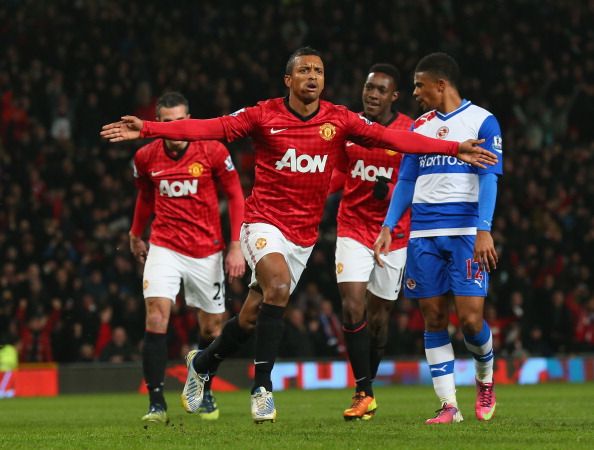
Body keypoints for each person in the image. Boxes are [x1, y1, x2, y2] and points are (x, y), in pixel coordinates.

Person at [101, 47, 497, 424]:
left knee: (253, 315)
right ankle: (262, 388)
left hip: (302, 235)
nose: (313, 76)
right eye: (305, 70)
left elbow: (395, 139)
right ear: (288, 78)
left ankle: (203, 364)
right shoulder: (262, 115)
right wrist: (150, 129)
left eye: (319, 71)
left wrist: (453, 147)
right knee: (277, 284)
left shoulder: (338, 120)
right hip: (263, 222)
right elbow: (211, 127)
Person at [374, 52, 502, 424]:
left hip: (465, 234)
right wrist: (388, 225)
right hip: (423, 234)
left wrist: (484, 230)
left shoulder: (482, 121)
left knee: (470, 321)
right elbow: (407, 180)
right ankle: (449, 406)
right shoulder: (419, 126)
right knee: (432, 318)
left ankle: (485, 377)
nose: (414, 92)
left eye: (419, 84)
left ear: (441, 84)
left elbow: (489, 177)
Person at [129, 92, 245, 424]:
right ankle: (156, 403)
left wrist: (235, 245)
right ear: (157, 124)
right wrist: (136, 234)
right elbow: (145, 197)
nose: (176, 129)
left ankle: (203, 383)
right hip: (164, 245)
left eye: (182, 122)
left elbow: (236, 195)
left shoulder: (213, 150)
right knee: (155, 316)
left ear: (190, 120)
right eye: (168, 123)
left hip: (206, 249)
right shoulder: (146, 157)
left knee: (212, 328)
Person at [327, 63, 413, 420]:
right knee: (351, 305)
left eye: (381, 90)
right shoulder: (349, 127)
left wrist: (390, 189)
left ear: (394, 96)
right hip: (352, 227)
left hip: (394, 235)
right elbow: (335, 173)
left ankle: (368, 387)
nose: (372, 95)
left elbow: (418, 184)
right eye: (369, 88)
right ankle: (363, 389)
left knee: (378, 320)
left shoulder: (410, 131)